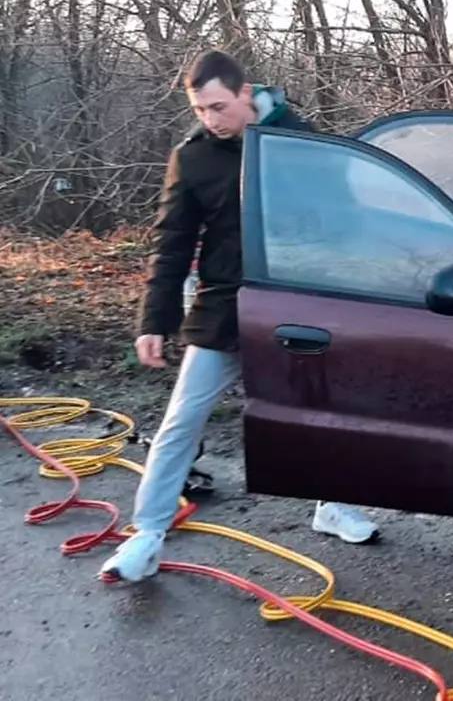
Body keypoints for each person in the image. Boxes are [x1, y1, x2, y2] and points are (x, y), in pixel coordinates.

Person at [101, 50, 379, 583]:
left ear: (246, 93)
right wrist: (152, 322)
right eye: (201, 110)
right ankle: (148, 534)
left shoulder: (300, 141)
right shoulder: (194, 158)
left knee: (322, 410)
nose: (210, 119)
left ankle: (333, 504)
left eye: (219, 107)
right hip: (225, 307)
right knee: (182, 420)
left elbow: (345, 224)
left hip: (297, 305)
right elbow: (172, 244)